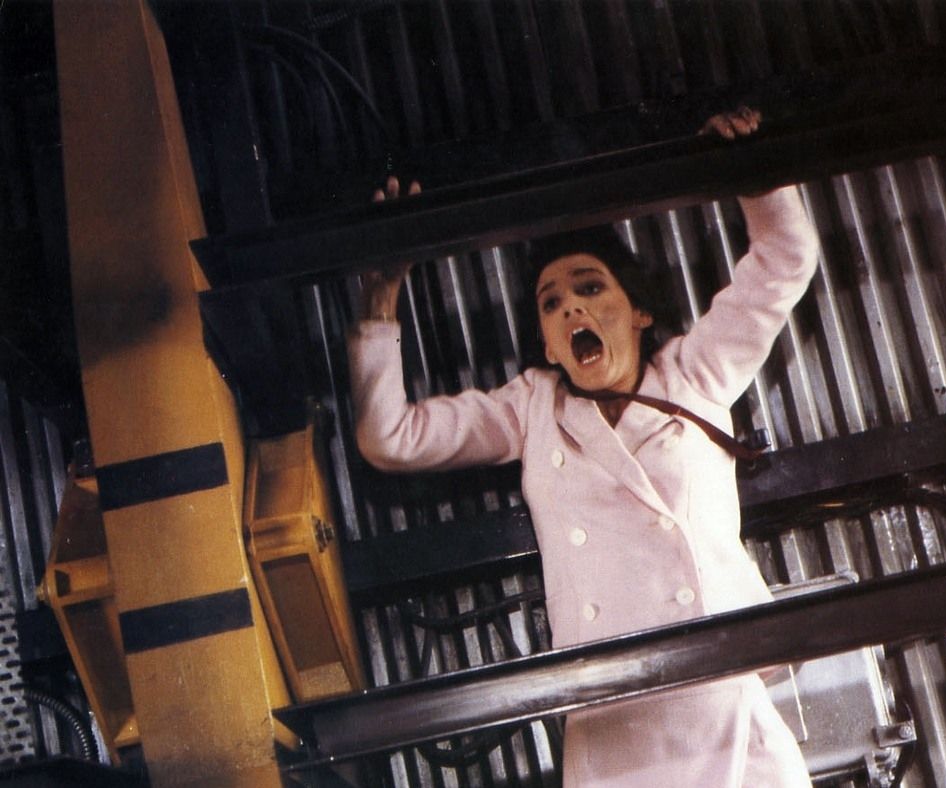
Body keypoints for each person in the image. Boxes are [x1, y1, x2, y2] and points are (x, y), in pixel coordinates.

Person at [349, 107, 820, 787]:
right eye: (551, 302)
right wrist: (380, 302)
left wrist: (753, 169)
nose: (572, 308)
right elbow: (390, 438)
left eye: (591, 288)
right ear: (547, 345)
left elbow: (785, 262)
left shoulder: (695, 374)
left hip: (723, 699)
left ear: (639, 312)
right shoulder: (531, 409)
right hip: (610, 717)